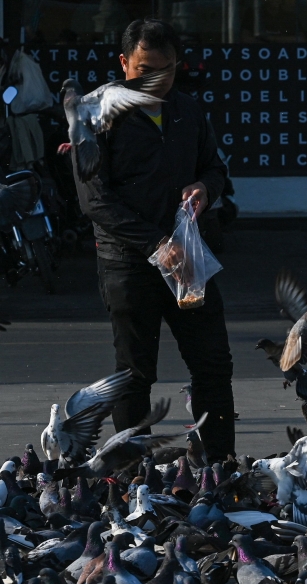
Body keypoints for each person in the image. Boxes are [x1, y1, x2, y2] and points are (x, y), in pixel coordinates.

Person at [72, 18, 236, 461]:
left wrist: (206, 188)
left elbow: (215, 168)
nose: (155, 81)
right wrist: (156, 245)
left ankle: (218, 469)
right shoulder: (93, 114)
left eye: (165, 70)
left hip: (190, 263)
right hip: (129, 262)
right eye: (144, 70)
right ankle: (128, 479)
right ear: (124, 63)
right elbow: (95, 202)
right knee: (134, 374)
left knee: (214, 367)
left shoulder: (188, 110)